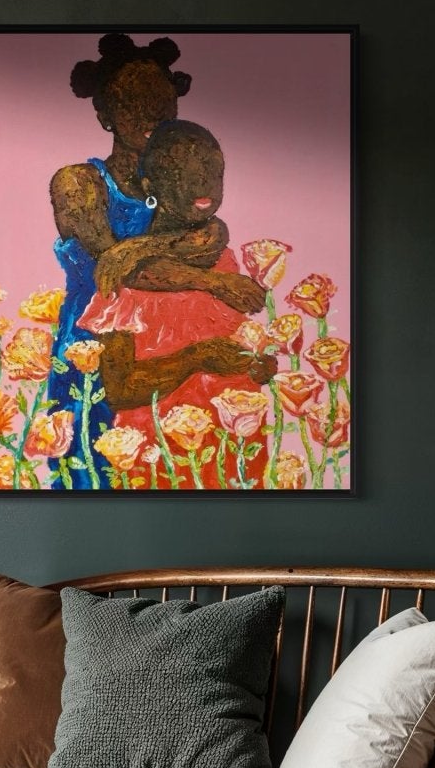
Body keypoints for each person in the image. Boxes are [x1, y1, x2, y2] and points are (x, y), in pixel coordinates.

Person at [45, 34, 267, 486]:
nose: (150, 114)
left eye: (160, 102)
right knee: (95, 468)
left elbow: (210, 237)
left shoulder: (179, 184)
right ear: (104, 114)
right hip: (95, 346)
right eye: (132, 103)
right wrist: (212, 283)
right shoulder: (79, 183)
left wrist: (138, 245)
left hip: (166, 346)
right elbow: (120, 275)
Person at [74, 119, 276, 486]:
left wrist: (255, 367)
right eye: (183, 172)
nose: (203, 184)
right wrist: (196, 359)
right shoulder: (128, 279)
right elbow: (118, 390)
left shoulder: (224, 261)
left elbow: (233, 346)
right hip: (158, 450)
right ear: (150, 186)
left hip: (231, 445)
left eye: (214, 172)